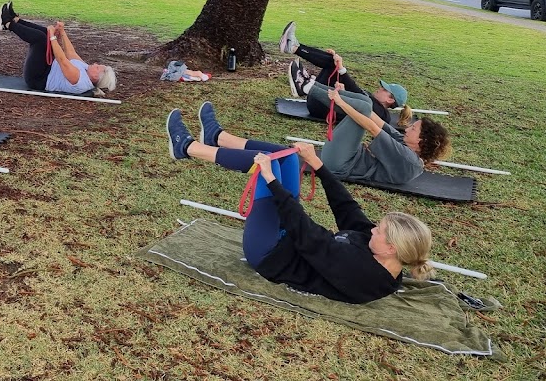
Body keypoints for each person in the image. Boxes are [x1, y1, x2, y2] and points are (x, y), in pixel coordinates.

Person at [164, 102, 435, 304]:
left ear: (390, 248)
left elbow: (308, 234)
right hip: (291, 238)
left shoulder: (360, 271)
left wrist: (272, 182)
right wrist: (318, 165)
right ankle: (218, 137)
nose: (373, 229)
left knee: (265, 164)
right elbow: (347, 208)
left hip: (270, 253)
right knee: (290, 159)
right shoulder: (384, 253)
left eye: (380, 231)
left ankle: (186, 148)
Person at [316, 84, 450, 184]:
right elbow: (377, 121)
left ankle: (307, 87)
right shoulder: (408, 145)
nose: (407, 129)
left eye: (413, 129)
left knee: (363, 108)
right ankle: (309, 84)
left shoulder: (409, 159)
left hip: (340, 165)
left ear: (422, 141)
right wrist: (345, 96)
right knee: (367, 103)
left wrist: (341, 102)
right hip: (347, 157)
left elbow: (372, 128)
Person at [279, 21, 406, 124]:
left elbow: (357, 94)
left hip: (322, 108)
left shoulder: (382, 115)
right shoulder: (375, 103)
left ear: (390, 100)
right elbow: (354, 96)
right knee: (332, 61)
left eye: (384, 89)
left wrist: (342, 70)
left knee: (335, 64)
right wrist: (342, 89)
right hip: (323, 101)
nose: (380, 88)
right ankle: (293, 48)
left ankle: (296, 56)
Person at [0, 1, 117, 97]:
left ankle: (8, 24)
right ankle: (15, 20)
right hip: (47, 68)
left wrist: (53, 36)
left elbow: (62, 59)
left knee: (40, 39)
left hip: (38, 78)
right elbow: (71, 53)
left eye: (97, 67)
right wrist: (61, 31)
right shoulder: (86, 70)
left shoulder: (79, 79)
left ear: (96, 77)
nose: (95, 64)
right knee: (45, 33)